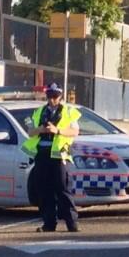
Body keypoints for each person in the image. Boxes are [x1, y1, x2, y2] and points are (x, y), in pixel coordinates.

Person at [20, 83, 81, 233]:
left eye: (55, 96)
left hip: (59, 155)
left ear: (60, 96)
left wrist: (57, 130)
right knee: (44, 190)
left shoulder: (68, 111)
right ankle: (49, 224)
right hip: (42, 154)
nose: (52, 99)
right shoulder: (39, 112)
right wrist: (41, 129)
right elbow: (30, 132)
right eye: (49, 96)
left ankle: (72, 224)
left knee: (63, 190)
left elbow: (75, 131)